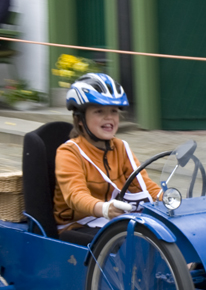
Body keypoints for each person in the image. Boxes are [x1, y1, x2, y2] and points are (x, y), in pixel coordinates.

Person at [53, 73, 162, 244]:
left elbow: (144, 185)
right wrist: (104, 209)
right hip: (77, 224)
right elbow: (75, 195)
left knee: (166, 231)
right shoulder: (68, 152)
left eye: (113, 111)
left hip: (112, 218)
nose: (109, 117)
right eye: (99, 111)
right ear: (80, 119)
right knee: (137, 241)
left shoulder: (121, 147)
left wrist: (168, 201)